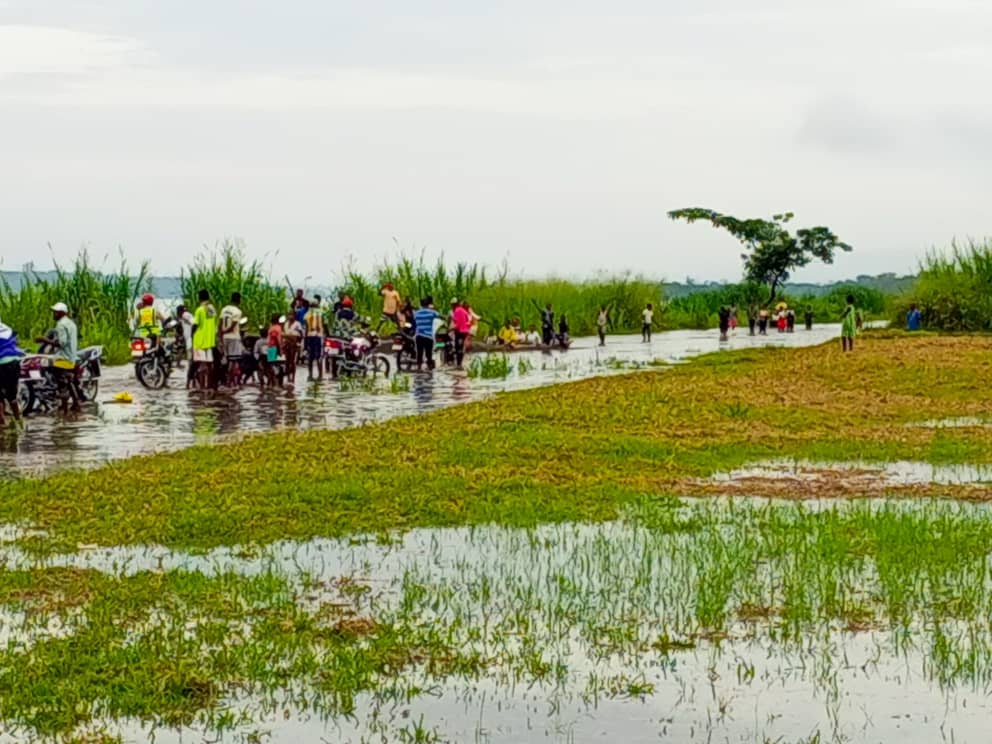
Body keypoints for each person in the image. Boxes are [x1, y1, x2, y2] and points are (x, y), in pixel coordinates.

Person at [42, 302, 81, 412]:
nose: (54, 314)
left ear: (62, 313)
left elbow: (61, 343)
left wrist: (44, 340)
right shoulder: (71, 324)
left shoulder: (60, 325)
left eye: (56, 312)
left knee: (61, 384)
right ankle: (76, 404)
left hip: (62, 358)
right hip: (72, 357)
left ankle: (64, 409)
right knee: (69, 381)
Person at [191, 289, 218, 390]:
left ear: (199, 298)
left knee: (201, 366)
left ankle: (202, 387)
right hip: (210, 341)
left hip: (200, 341)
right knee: (209, 365)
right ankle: (209, 385)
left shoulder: (199, 310)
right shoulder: (212, 309)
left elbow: (195, 324)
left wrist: (191, 335)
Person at [0, 316, 24, 426]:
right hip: (14, 362)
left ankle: (2, 424)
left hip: (2, 363)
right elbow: (16, 343)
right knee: (12, 396)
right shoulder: (8, 329)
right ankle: (18, 421)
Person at [219, 292, 245, 378]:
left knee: (226, 359)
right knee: (233, 361)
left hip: (225, 338)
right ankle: (230, 380)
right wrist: (225, 331)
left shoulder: (224, 309)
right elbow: (233, 326)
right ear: (239, 300)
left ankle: (226, 378)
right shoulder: (238, 311)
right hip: (234, 337)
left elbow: (220, 324)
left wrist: (221, 334)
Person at [414, 297, 440, 371]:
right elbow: (440, 316)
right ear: (428, 304)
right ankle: (429, 368)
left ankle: (419, 367)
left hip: (419, 336)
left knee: (419, 352)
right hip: (428, 336)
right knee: (428, 354)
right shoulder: (432, 312)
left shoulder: (416, 313)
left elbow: (414, 320)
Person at [303, 300, 324, 381]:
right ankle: (320, 376)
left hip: (310, 336)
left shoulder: (307, 314)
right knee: (319, 356)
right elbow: (324, 325)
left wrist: (305, 343)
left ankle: (310, 375)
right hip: (319, 337)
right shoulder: (321, 313)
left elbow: (306, 328)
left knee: (310, 357)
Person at [283, 312, 303, 383]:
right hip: (287, 343)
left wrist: (298, 343)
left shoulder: (298, 324)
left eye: (292, 315)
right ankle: (288, 377)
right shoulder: (286, 323)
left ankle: (293, 378)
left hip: (294, 343)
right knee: (287, 361)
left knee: (292, 361)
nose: (290, 316)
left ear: (295, 316)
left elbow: (301, 334)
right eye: (289, 315)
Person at [451, 299, 470, 368]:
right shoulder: (463, 310)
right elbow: (468, 319)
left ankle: (458, 364)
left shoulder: (456, 311)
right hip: (464, 332)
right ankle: (459, 364)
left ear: (454, 305)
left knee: (458, 348)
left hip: (459, 331)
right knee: (460, 348)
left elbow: (457, 323)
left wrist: (451, 328)